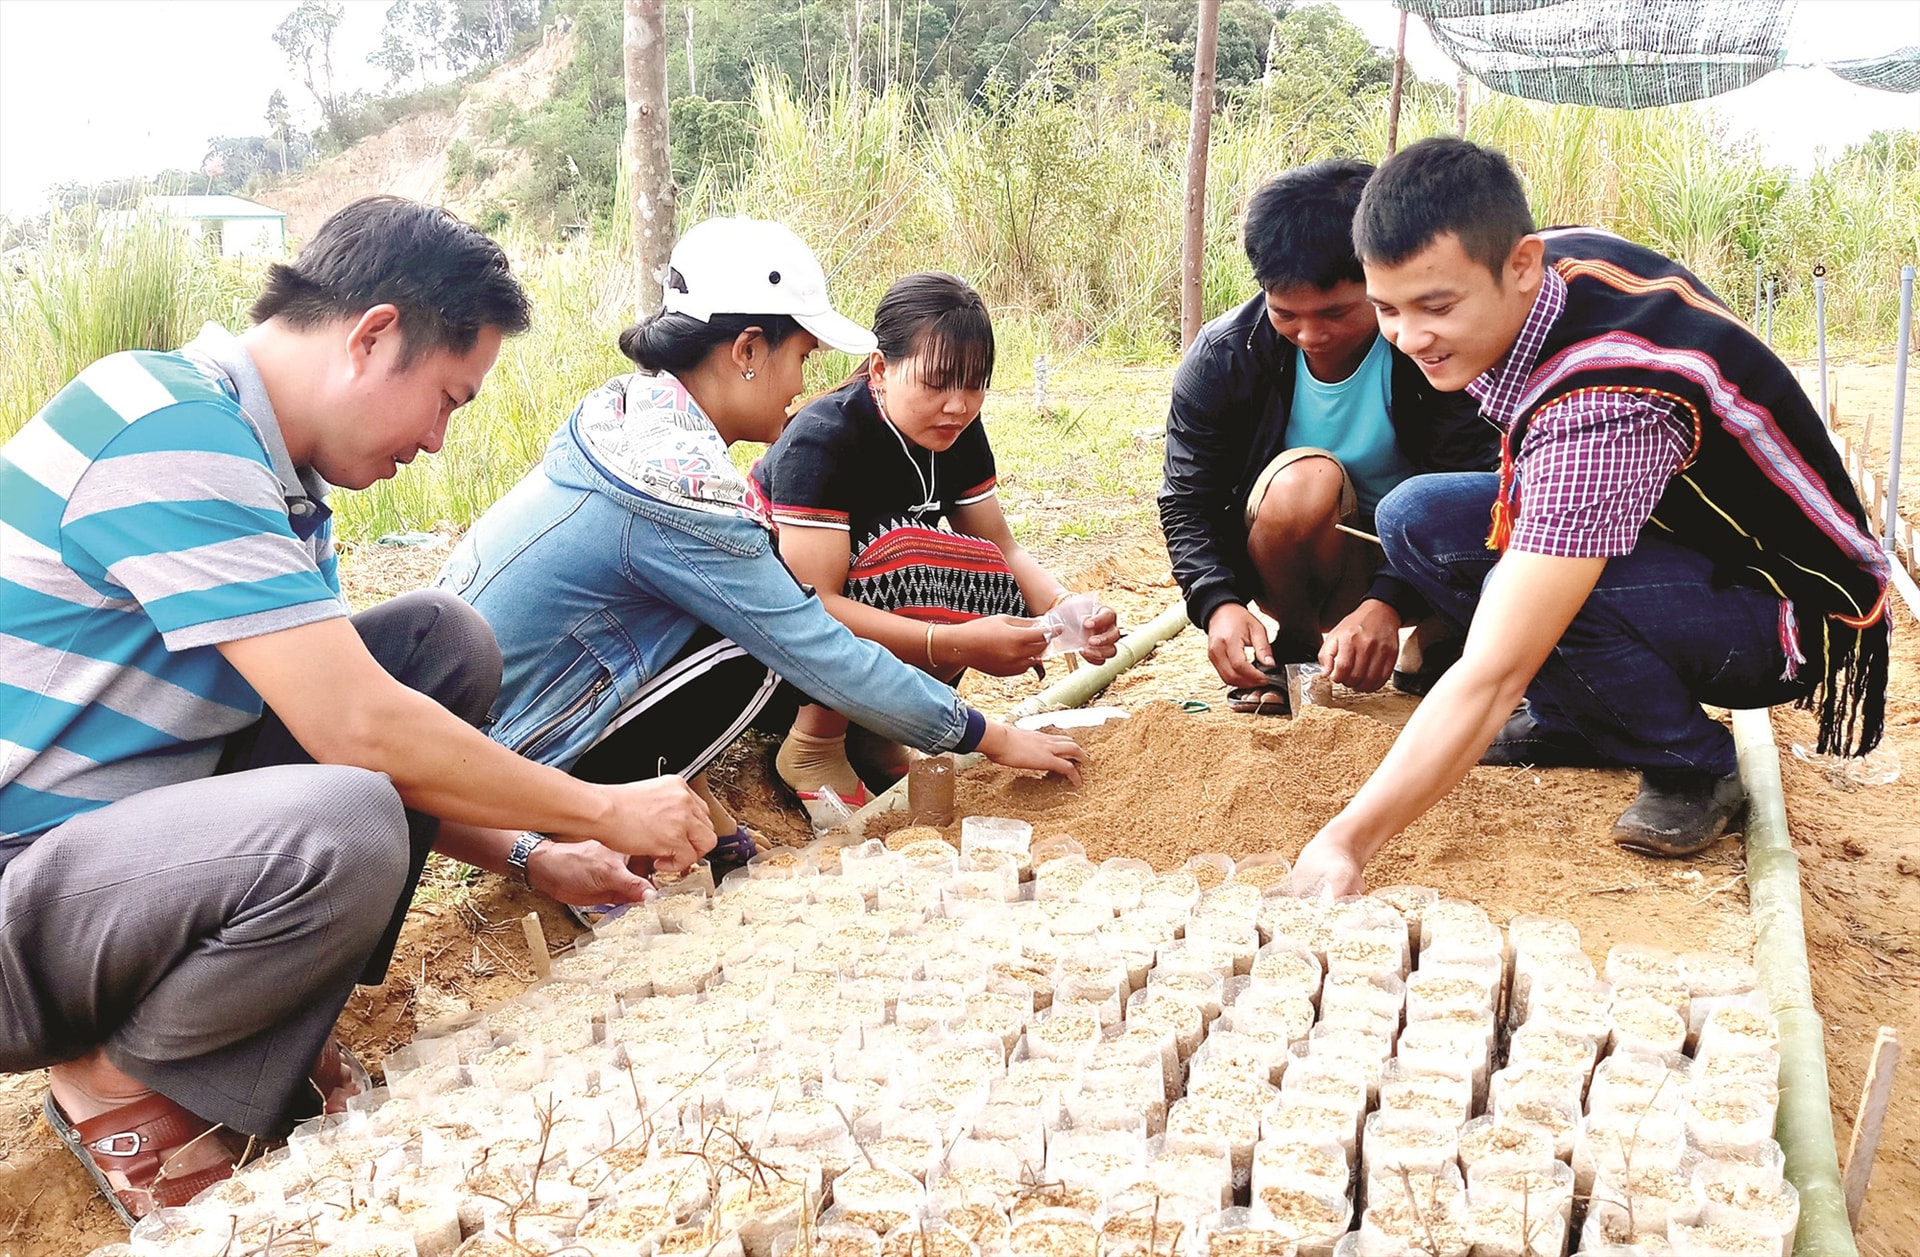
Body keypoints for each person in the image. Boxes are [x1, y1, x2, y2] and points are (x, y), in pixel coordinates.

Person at [0, 198, 719, 1223]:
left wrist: (529, 854)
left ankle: (236, 1038)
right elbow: (356, 740)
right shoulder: (165, 430)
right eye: (445, 401)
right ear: (372, 336)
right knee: (346, 814)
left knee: (435, 645)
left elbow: (367, 730)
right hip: (19, 910)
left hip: (96, 879)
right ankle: (123, 1089)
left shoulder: (277, 484)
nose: (434, 439)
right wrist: (598, 810)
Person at [1288, 138, 1891, 896]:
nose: (1409, 337)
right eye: (1388, 308)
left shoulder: (1606, 405)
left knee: (1545, 593)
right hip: (1686, 541)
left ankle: (1693, 766)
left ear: (1520, 264)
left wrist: (1348, 838)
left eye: (1436, 307)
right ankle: (1581, 717)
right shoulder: (1548, 275)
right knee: (1418, 519)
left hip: (1796, 611)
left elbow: (1495, 668)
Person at [440, 223, 1087, 852]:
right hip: (510, 741)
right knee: (758, 646)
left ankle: (675, 785)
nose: (804, 383)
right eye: (801, 356)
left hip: (492, 703)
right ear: (747, 350)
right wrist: (989, 736)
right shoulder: (681, 487)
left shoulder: (629, 417)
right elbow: (813, 642)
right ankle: (594, 809)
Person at [751, 272, 1123, 815]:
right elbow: (812, 605)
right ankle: (815, 742)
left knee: (982, 569)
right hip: (775, 658)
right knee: (910, 557)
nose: (958, 406)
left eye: (974, 385)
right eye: (937, 383)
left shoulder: (959, 432)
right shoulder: (823, 439)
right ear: (880, 369)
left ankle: (877, 728)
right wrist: (957, 643)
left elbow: (1002, 546)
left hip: (862, 644)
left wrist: (1067, 615)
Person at [1160, 159, 1497, 712]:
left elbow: (1479, 477)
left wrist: (1387, 602)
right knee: (1304, 480)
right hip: (1301, 560)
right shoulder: (1225, 356)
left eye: (1337, 312)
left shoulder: (1439, 346)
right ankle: (1296, 647)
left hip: (1424, 556)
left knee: (1462, 500)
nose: (1312, 334)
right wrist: (1218, 602)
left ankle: (1437, 635)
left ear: (1381, 275)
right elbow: (1187, 499)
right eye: (1286, 313)